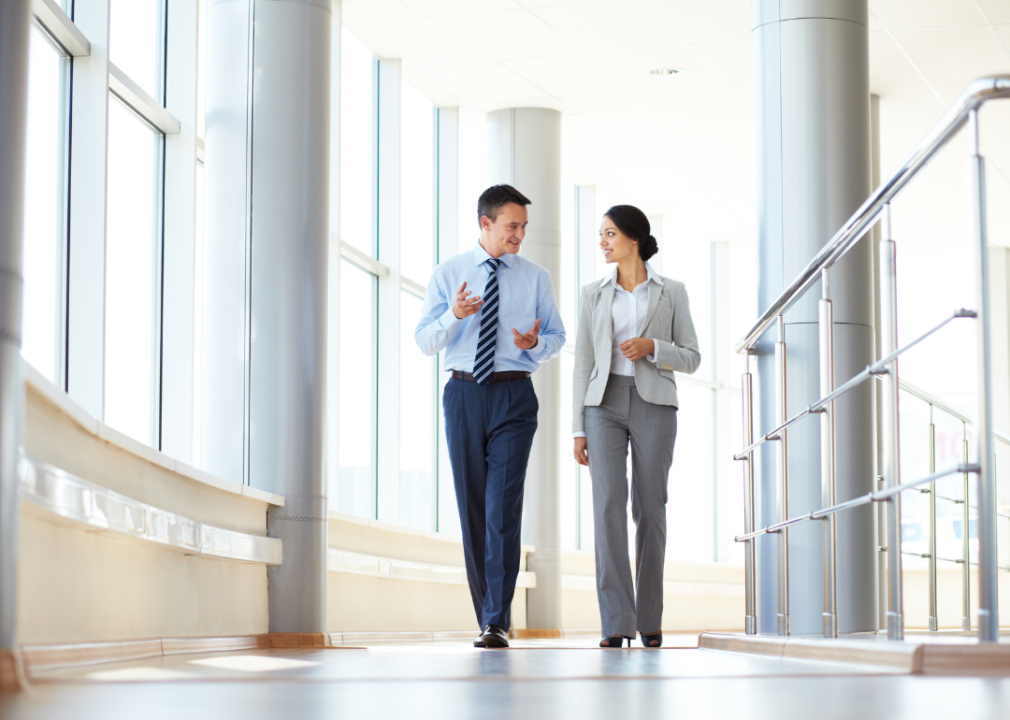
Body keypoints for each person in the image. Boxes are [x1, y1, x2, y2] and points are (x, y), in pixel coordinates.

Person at [415, 184, 566, 648]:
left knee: (503, 507)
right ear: (486, 223)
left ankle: (496, 619)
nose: (519, 235)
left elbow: (557, 337)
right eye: (511, 226)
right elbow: (424, 340)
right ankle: (487, 615)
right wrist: (453, 316)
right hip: (463, 394)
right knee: (473, 507)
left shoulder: (536, 277)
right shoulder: (449, 272)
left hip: (514, 396)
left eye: (523, 227)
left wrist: (533, 345)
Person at [571, 205, 700, 649]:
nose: (603, 242)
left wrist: (653, 347)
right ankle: (616, 622)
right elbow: (583, 363)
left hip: (655, 404)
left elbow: (692, 356)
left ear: (633, 238)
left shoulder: (672, 292)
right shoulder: (592, 293)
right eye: (600, 234)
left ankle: (649, 619)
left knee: (650, 509)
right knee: (607, 506)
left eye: (609, 233)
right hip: (602, 406)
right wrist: (577, 428)